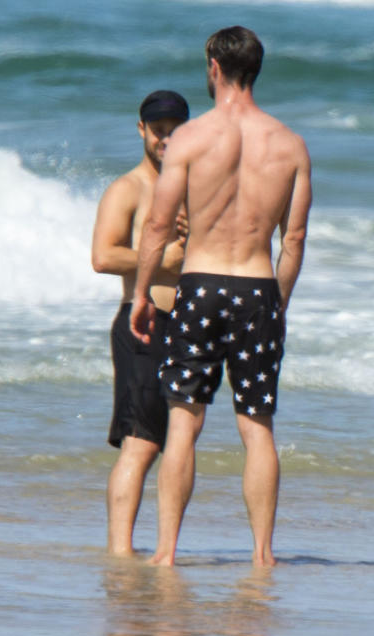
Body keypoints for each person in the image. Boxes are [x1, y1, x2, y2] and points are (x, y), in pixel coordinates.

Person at [130, 26, 311, 567]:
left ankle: (165, 553)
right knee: (257, 427)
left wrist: (142, 293)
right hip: (257, 287)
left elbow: (159, 224)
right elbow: (294, 240)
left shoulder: (189, 139)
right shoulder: (290, 144)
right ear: (256, 69)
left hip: (200, 284)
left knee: (184, 422)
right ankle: (262, 554)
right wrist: (277, 305)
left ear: (214, 66)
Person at [92, 90, 190, 555]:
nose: (166, 139)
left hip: (186, 324)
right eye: (158, 131)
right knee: (141, 443)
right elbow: (102, 255)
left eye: (175, 130)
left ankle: (158, 551)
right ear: (141, 130)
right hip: (142, 323)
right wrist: (163, 262)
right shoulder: (128, 189)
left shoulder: (194, 188)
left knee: (176, 444)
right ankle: (119, 553)